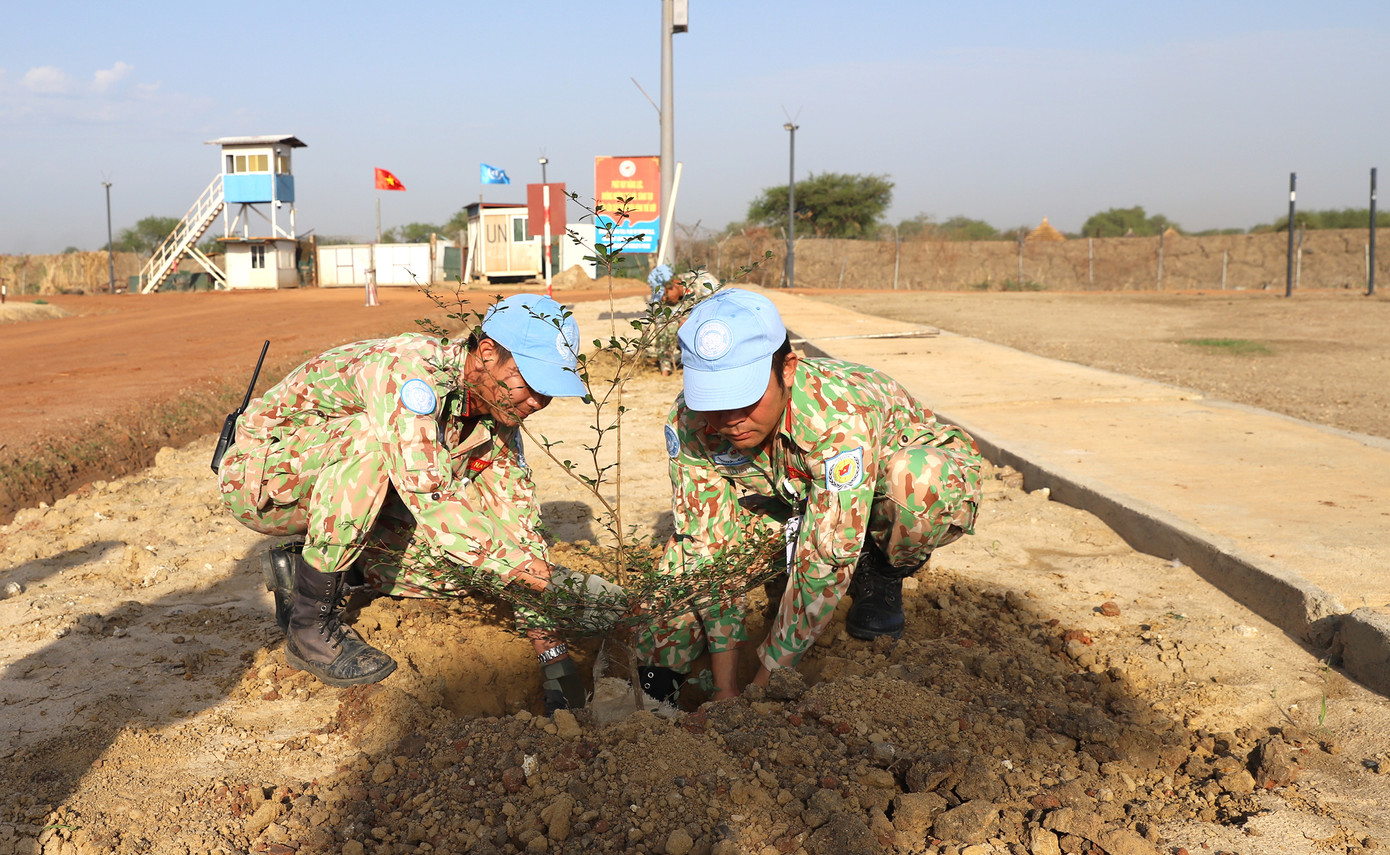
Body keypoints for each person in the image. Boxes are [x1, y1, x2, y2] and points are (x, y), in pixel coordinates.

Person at [218, 293, 611, 711]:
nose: (538, 402)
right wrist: (557, 582)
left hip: (351, 492)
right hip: (266, 479)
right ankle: (309, 629)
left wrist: (554, 659)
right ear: (487, 353)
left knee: (466, 572)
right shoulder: (408, 374)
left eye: (548, 390)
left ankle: (306, 569)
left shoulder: (496, 418)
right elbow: (432, 500)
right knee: (371, 443)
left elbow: (517, 529)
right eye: (530, 383)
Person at [635, 288, 983, 702]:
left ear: (787, 369)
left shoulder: (838, 420)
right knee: (680, 565)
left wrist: (761, 686)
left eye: (744, 398)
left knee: (919, 481)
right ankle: (655, 702)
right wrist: (725, 686)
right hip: (799, 497)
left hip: (893, 487)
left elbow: (826, 552)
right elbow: (707, 546)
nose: (729, 420)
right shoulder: (691, 422)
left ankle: (883, 570)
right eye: (713, 401)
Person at [645, 264, 720, 375]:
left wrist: (693, 323)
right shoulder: (668, 301)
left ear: (674, 283)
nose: (664, 299)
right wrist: (665, 366)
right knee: (667, 320)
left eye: (665, 294)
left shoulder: (702, 281)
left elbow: (720, 310)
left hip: (715, 331)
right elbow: (662, 329)